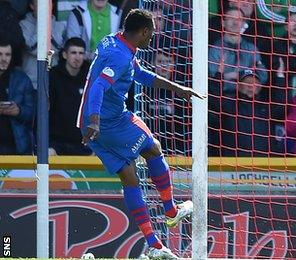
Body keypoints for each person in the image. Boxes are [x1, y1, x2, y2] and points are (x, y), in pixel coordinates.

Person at [78, 9, 203, 258]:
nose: (152, 38)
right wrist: (96, 121)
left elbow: (141, 75)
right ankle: (170, 211)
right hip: (108, 121)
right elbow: (99, 87)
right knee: (152, 147)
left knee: (129, 177)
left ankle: (155, 245)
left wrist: (178, 88)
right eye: (152, 33)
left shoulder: (115, 41)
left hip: (88, 123)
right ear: (144, 31)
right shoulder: (120, 57)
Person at [49, 38, 92, 156]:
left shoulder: (91, 79)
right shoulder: (52, 77)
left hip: (84, 141)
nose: (77, 57)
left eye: (81, 53)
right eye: (73, 52)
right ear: (64, 54)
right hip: (57, 142)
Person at [19, 0, 65, 89]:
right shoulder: (23, 25)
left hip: (53, 80)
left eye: (48, 3)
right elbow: (33, 49)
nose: (45, 7)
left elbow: (55, 49)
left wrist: (48, 24)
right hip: (30, 81)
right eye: (41, 3)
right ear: (32, 6)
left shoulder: (60, 26)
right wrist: (41, 23)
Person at [0, 39, 34, 155]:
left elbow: (33, 113)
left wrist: (19, 111)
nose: (4, 59)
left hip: (17, 146)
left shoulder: (22, 79)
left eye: (7, 54)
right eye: (0, 54)